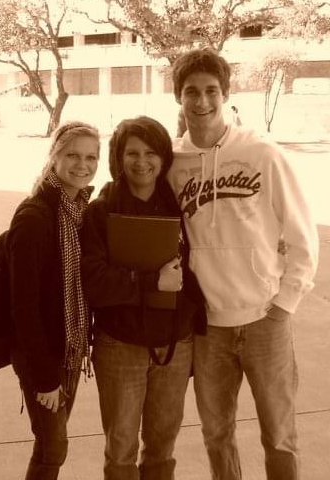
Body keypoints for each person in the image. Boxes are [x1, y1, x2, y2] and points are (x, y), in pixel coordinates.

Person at [167, 48, 319, 480]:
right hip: (209, 327)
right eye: (191, 92)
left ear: (226, 94)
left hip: (264, 320)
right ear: (179, 97)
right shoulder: (174, 165)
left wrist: (285, 303)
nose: (201, 102)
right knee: (217, 434)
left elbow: (301, 233)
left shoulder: (262, 154)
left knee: (279, 434)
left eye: (211, 91)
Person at [80, 115, 206, 480]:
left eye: (151, 152)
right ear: (117, 157)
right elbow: (94, 282)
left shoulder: (182, 208)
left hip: (175, 345)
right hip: (121, 346)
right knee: (120, 449)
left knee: (162, 446)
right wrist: (151, 283)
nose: (141, 161)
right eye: (131, 153)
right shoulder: (101, 211)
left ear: (164, 157)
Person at [6, 121, 100, 480]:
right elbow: (23, 308)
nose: (83, 165)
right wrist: (45, 378)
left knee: (50, 445)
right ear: (55, 157)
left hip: (70, 349)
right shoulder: (35, 217)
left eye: (91, 157)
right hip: (40, 354)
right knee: (53, 446)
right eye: (73, 155)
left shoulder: (77, 212)